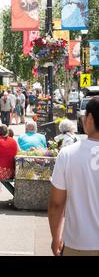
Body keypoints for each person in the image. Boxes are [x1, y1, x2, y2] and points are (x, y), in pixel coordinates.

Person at [49, 96, 99, 256]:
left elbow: (56, 204)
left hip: (78, 243)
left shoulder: (68, 154)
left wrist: (56, 237)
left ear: (90, 118)